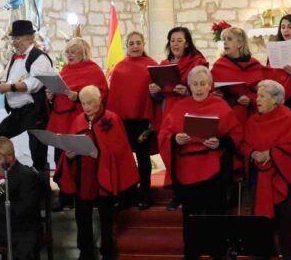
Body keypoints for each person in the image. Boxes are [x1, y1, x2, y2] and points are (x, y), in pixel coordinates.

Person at [158, 66, 243, 260]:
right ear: (189, 85)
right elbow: (164, 133)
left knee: (216, 213)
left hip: (214, 168)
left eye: (203, 84)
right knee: (191, 215)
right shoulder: (179, 106)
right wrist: (175, 138)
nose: (199, 88)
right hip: (187, 168)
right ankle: (191, 252)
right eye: (195, 84)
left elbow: (236, 134)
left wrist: (220, 142)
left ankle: (218, 253)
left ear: (210, 85)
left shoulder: (220, 105)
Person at [55, 86, 139, 260]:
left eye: (90, 103)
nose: (86, 107)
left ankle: (108, 252)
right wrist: (69, 155)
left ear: (99, 100)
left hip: (103, 176)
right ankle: (85, 253)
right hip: (83, 178)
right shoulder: (78, 120)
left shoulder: (111, 119)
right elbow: (70, 145)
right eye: (83, 103)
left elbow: (119, 149)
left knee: (106, 217)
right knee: (82, 216)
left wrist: (99, 153)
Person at [241, 80, 291, 260]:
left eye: (262, 96)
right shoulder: (252, 120)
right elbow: (245, 144)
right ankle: (261, 255)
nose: (257, 99)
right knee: (259, 219)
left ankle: (288, 255)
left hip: (284, 175)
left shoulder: (290, 119)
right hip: (259, 176)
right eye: (257, 95)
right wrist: (253, 153)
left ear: (275, 100)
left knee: (287, 217)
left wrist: (271, 153)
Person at [46, 37, 108, 211]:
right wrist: (51, 96)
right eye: (68, 52)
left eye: (73, 52)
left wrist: (78, 95)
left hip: (81, 122)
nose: (69, 55)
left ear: (83, 53)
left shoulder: (93, 70)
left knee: (84, 162)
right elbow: (59, 92)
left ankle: (89, 196)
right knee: (62, 160)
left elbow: (100, 94)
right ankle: (65, 197)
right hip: (61, 121)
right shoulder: (65, 69)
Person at [150, 26, 208, 209]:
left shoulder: (197, 62)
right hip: (169, 110)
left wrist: (188, 91)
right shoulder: (164, 65)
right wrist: (155, 91)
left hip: (190, 110)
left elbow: (205, 87)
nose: (175, 44)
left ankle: (188, 192)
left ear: (187, 43)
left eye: (179, 40)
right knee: (170, 148)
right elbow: (158, 96)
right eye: (172, 40)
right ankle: (177, 192)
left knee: (188, 150)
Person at [0, 20, 54, 172]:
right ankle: (11, 175)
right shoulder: (14, 58)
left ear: (30, 38)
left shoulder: (39, 57)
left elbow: (34, 84)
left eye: (18, 38)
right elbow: (7, 80)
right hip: (17, 113)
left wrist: (9, 87)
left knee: (38, 154)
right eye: (13, 39)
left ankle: (41, 192)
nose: (14, 42)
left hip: (34, 112)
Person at [107, 31, 159, 209]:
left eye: (138, 42)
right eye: (132, 43)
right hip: (123, 122)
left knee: (143, 157)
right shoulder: (119, 68)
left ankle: (146, 193)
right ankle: (126, 195)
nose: (135, 46)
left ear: (143, 44)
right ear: (126, 46)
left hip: (143, 121)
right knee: (124, 160)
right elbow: (114, 96)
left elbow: (158, 94)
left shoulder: (152, 66)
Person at [211, 26, 286, 127]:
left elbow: (264, 92)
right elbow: (209, 89)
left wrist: (250, 99)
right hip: (226, 114)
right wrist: (215, 94)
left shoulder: (254, 64)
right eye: (224, 39)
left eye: (229, 39)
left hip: (251, 115)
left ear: (240, 43)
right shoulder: (219, 65)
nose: (225, 42)